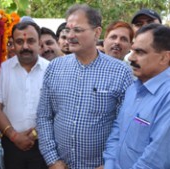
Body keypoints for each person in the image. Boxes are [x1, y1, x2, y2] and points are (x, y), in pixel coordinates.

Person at [36, 4, 133, 169]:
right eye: (68, 30)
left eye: (78, 30)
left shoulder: (121, 72)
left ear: (97, 33)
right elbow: (44, 117)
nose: (70, 36)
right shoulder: (54, 68)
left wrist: (109, 164)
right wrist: (53, 160)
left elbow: (126, 126)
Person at [103, 23, 170, 169]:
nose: (130, 57)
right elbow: (117, 131)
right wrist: (109, 164)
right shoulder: (133, 88)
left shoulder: (167, 98)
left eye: (140, 52)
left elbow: (155, 161)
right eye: (132, 50)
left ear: (165, 58)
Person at [0, 21, 49, 169]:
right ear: (13, 44)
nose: (25, 46)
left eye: (30, 41)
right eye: (19, 42)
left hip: (44, 145)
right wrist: (14, 136)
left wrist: (34, 134)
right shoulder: (2, 70)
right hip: (12, 145)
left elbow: (58, 109)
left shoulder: (50, 70)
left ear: (39, 43)